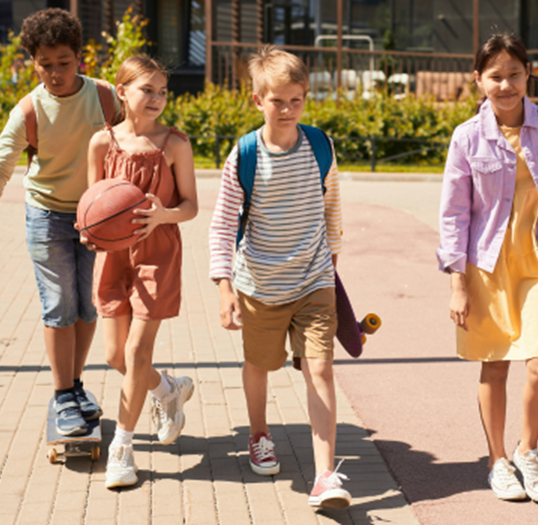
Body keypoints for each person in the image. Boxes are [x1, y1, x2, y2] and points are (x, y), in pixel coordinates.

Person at [437, 33, 538, 503]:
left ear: (529, 73)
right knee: (495, 366)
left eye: (514, 74)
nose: (505, 85)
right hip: (487, 265)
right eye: (495, 76)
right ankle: (497, 460)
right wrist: (457, 283)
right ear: (479, 79)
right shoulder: (466, 137)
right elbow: (453, 214)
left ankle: (528, 450)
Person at [208, 45, 351, 510]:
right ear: (257, 100)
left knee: (321, 368)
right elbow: (224, 222)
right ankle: (258, 433)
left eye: (297, 99)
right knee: (260, 365)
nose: (288, 109)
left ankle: (325, 476)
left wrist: (332, 257)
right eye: (278, 101)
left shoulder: (319, 144)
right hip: (260, 286)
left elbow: (330, 202)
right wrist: (224, 285)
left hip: (314, 279)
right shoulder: (245, 154)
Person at [0, 8, 119, 437]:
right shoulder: (29, 110)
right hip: (47, 215)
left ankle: (75, 385)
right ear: (33, 63)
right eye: (45, 65)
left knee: (87, 306)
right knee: (59, 305)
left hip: (96, 218)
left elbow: (135, 143)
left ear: (80, 59)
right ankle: (62, 395)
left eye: (64, 63)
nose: (55, 73)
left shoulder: (107, 98)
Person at [84, 55, 198, 489]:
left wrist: (161, 216)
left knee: (136, 353)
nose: (156, 98)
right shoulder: (102, 143)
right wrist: (89, 231)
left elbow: (190, 206)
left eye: (162, 91)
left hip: (158, 254)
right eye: (146, 89)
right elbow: (92, 203)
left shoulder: (175, 145)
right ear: (122, 92)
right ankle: (168, 388)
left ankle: (122, 448)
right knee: (117, 356)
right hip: (113, 258)